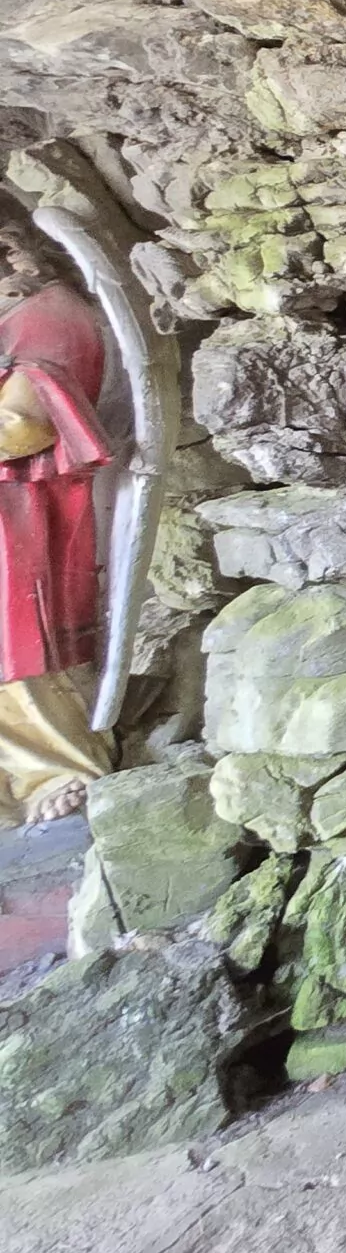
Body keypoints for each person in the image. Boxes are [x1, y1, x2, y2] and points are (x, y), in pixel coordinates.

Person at [0, 207, 113, 826]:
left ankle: (57, 764)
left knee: (16, 642)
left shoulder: (47, 313)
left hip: (24, 511)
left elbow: (22, 423)